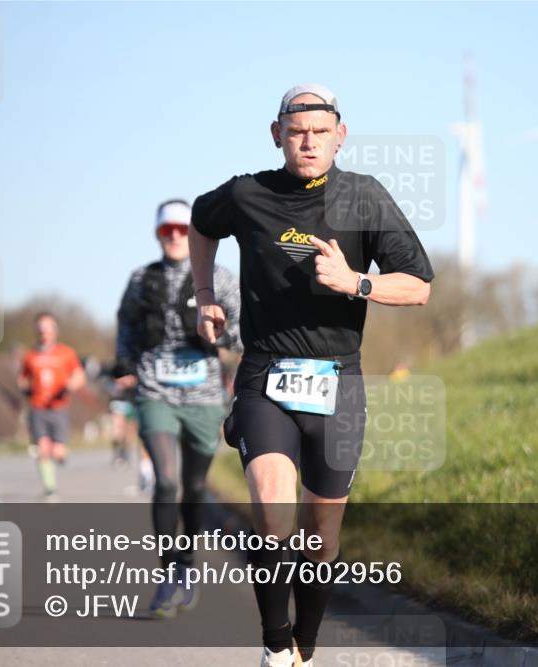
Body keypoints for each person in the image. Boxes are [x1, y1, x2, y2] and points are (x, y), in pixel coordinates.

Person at [190, 84, 433, 667]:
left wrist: (356, 282)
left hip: (338, 382)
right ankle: (276, 646)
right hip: (264, 374)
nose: (309, 141)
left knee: (321, 536)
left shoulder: (364, 198)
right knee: (273, 508)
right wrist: (204, 294)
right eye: (297, 131)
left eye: (321, 132)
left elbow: (419, 286)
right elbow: (201, 221)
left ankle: (305, 646)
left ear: (340, 136)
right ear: (277, 134)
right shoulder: (247, 194)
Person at [114, 198, 242, 618]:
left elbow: (244, 331)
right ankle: (169, 571)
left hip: (204, 397)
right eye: (165, 230)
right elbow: (126, 322)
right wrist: (126, 363)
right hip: (155, 392)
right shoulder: (141, 279)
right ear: (158, 234)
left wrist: (223, 334)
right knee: (167, 482)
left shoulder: (220, 278)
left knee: (195, 486)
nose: (173, 236)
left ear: (192, 233)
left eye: (180, 229)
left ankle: (187, 563)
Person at [17, 312, 85, 497]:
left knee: (58, 452)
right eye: (40, 328)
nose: (44, 332)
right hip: (37, 407)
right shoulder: (30, 355)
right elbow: (22, 378)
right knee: (42, 448)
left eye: (48, 328)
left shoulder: (66, 353)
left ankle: (61, 454)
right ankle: (50, 488)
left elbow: (79, 376)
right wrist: (25, 388)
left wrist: (69, 387)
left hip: (59, 407)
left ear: (55, 330)